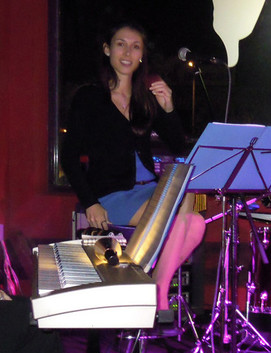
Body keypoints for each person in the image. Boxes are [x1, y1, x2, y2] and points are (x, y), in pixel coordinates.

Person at [60, 21, 205, 317]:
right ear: (107, 50)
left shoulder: (145, 99)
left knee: (196, 220)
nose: (128, 52)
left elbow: (178, 145)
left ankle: (153, 286)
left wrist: (168, 108)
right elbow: (69, 156)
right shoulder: (89, 98)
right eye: (121, 44)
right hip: (112, 196)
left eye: (135, 47)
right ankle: (157, 292)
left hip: (149, 192)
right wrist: (90, 202)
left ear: (141, 56)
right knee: (180, 215)